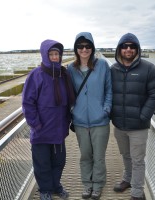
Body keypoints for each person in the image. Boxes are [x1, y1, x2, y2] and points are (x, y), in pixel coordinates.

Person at [110, 33, 155, 200]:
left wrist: (143, 115)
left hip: (138, 127)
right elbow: (107, 93)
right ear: (119, 49)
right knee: (126, 156)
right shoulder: (113, 70)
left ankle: (137, 192)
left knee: (138, 160)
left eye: (132, 46)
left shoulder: (149, 69)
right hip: (119, 125)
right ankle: (127, 179)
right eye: (125, 46)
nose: (128, 49)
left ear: (137, 49)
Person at [22, 39, 75, 200]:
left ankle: (55, 185)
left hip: (58, 129)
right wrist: (36, 124)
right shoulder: (35, 75)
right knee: (42, 163)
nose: (54, 57)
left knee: (59, 161)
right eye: (51, 54)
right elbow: (27, 103)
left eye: (56, 54)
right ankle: (45, 189)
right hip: (41, 130)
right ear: (44, 55)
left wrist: (69, 120)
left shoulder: (63, 74)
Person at [67, 32, 112, 200]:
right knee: (85, 155)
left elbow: (109, 90)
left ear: (92, 48)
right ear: (76, 49)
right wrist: (72, 110)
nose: (84, 49)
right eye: (80, 46)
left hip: (100, 120)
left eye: (87, 46)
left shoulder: (102, 66)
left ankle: (98, 184)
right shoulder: (71, 68)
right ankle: (87, 183)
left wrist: (106, 109)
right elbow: (68, 91)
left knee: (99, 156)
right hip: (79, 121)